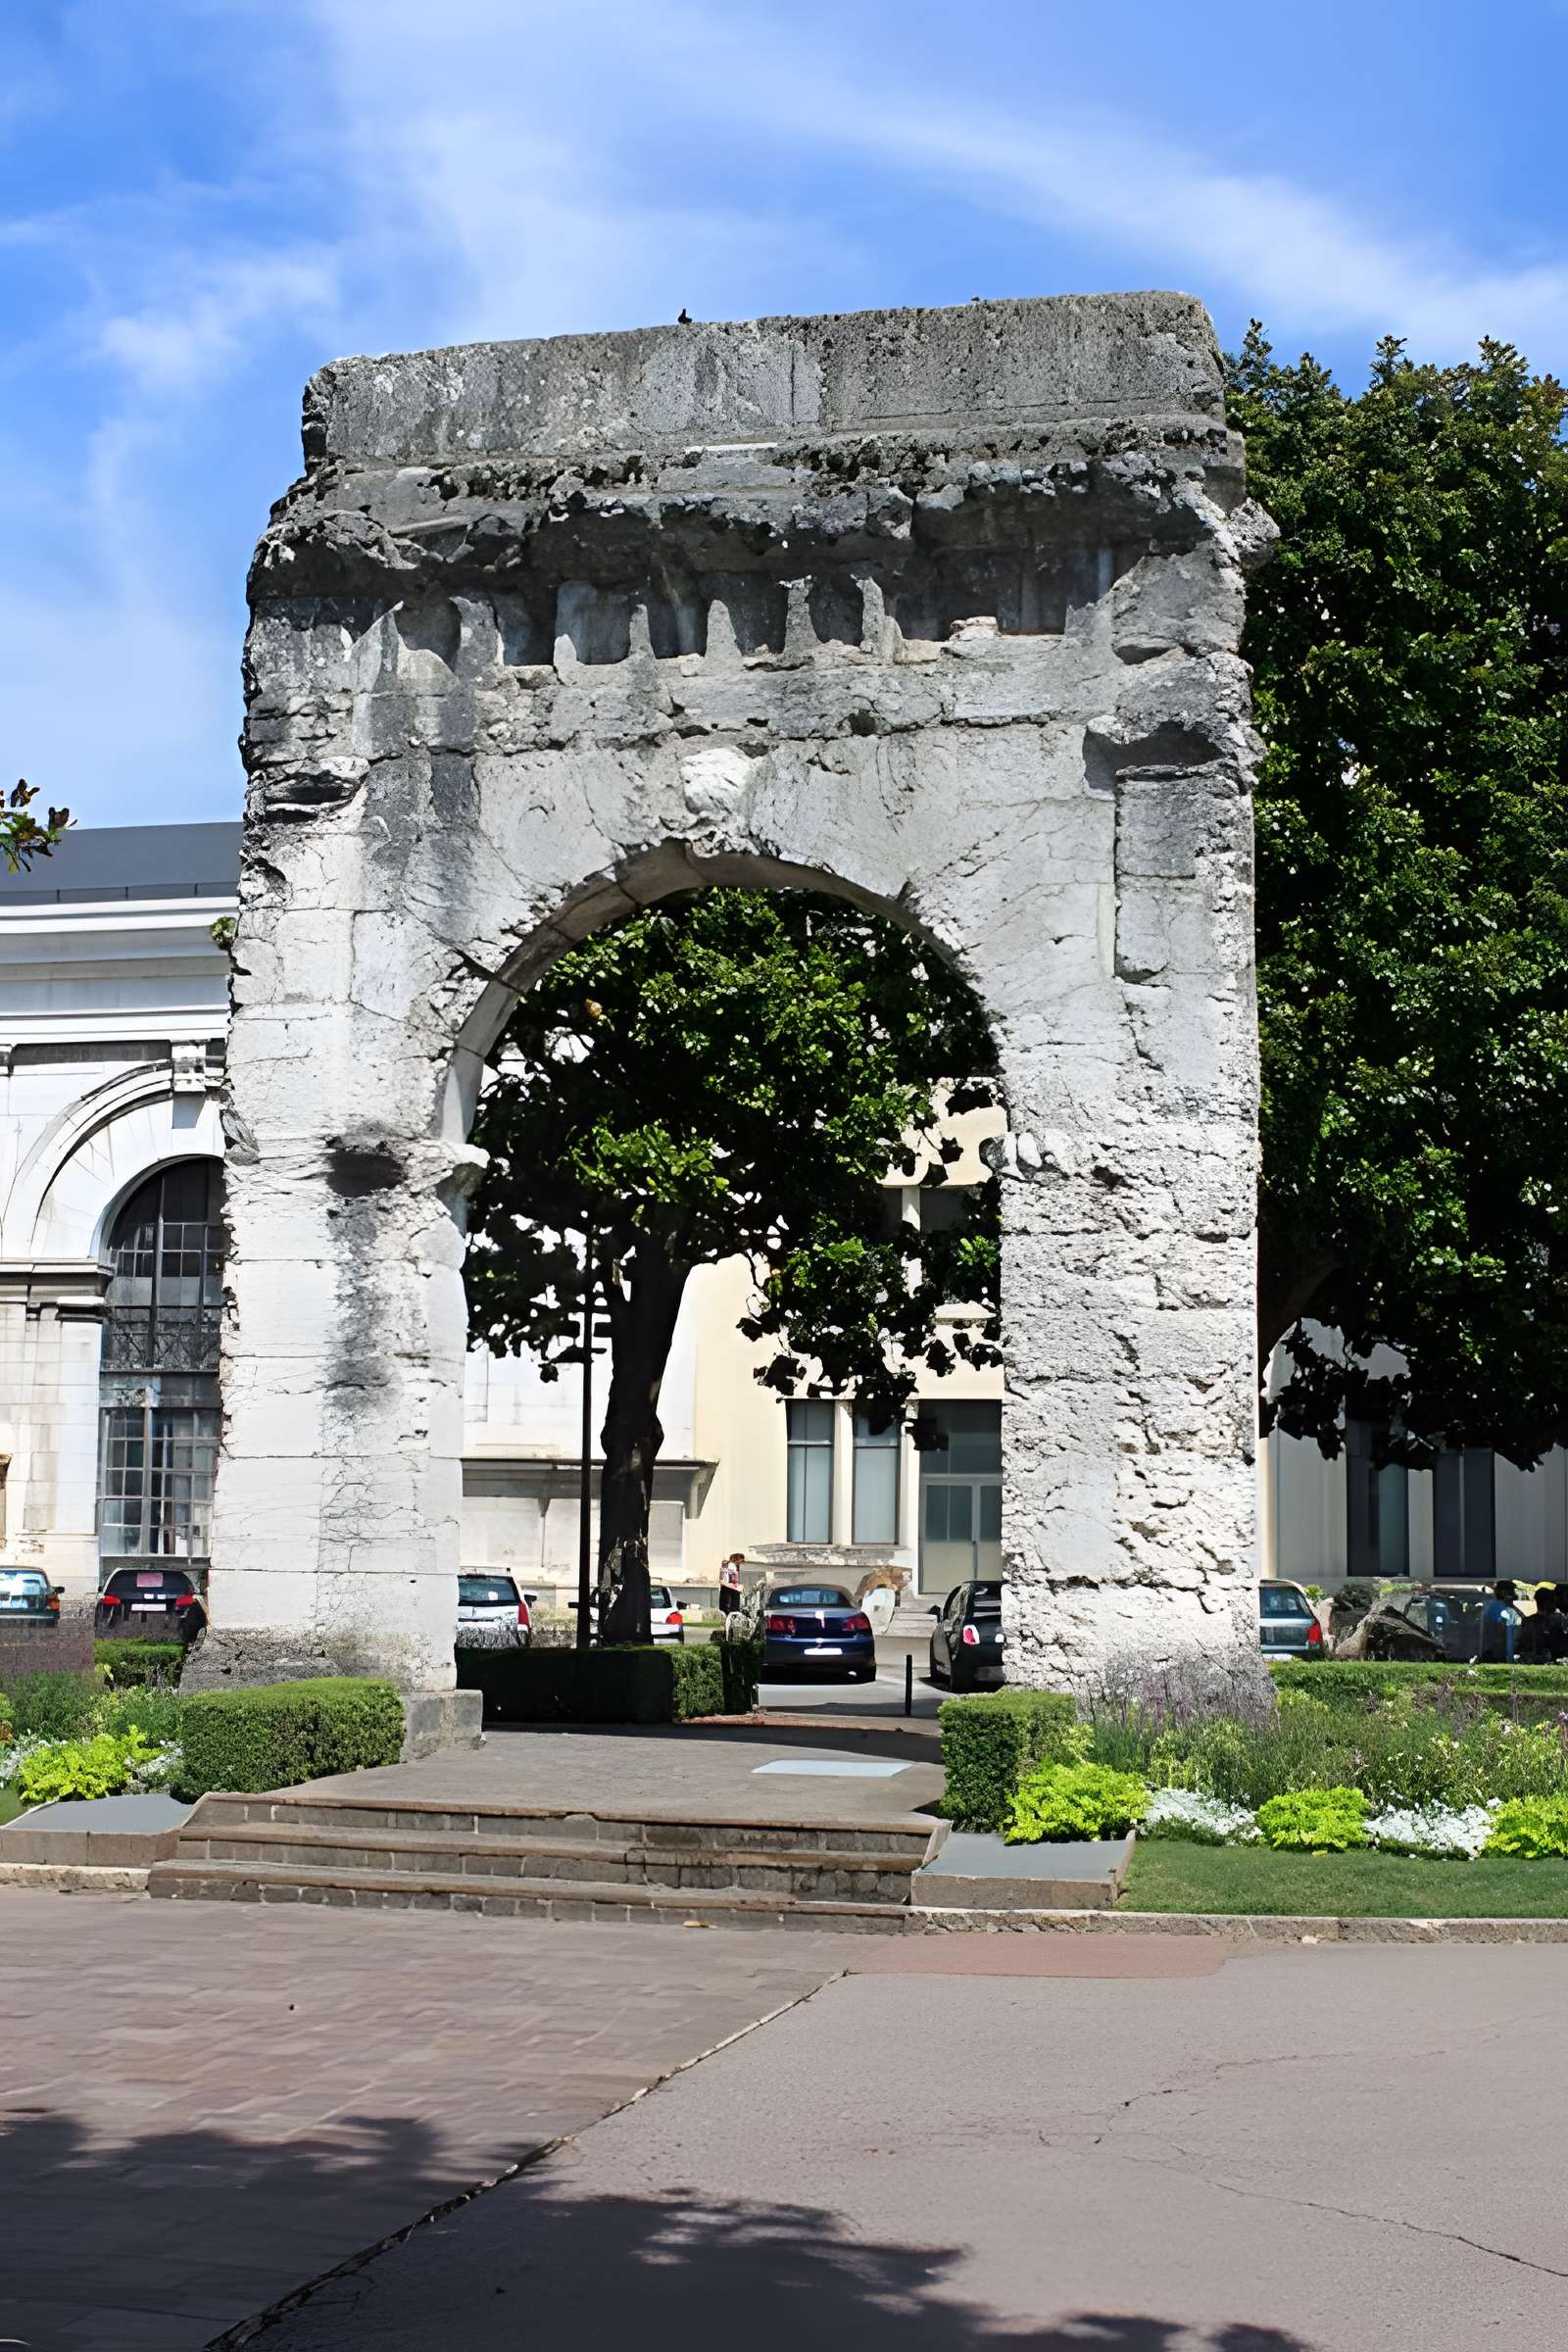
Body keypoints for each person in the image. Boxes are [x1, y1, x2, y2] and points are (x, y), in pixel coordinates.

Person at [1480, 1579, 1521, 1663]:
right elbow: (1503, 1627)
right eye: (1510, 1591)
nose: (1513, 1593)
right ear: (1503, 1592)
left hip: (1501, 1650)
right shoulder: (1497, 1606)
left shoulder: (1504, 1606)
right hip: (1496, 1652)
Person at [718, 1554, 744, 1619]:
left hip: (727, 1588)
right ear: (737, 1559)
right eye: (741, 1560)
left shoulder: (726, 1565)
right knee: (732, 1608)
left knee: (727, 1608)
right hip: (730, 1589)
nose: (741, 1563)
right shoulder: (731, 1566)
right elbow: (731, 1578)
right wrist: (736, 1585)